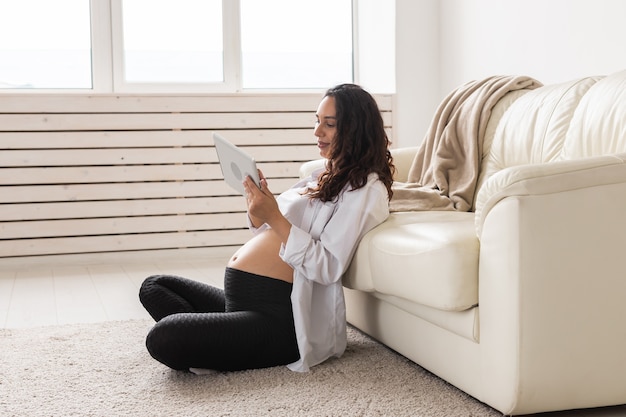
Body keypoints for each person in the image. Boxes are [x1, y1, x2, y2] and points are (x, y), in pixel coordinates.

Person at [139, 83, 395, 373]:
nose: (317, 131)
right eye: (317, 120)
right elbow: (274, 239)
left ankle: (218, 345)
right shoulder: (322, 174)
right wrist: (258, 211)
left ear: (356, 129)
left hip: (279, 318)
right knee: (154, 287)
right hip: (242, 302)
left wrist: (274, 217)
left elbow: (328, 266)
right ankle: (220, 343)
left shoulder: (365, 191)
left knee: (165, 336)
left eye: (329, 124)